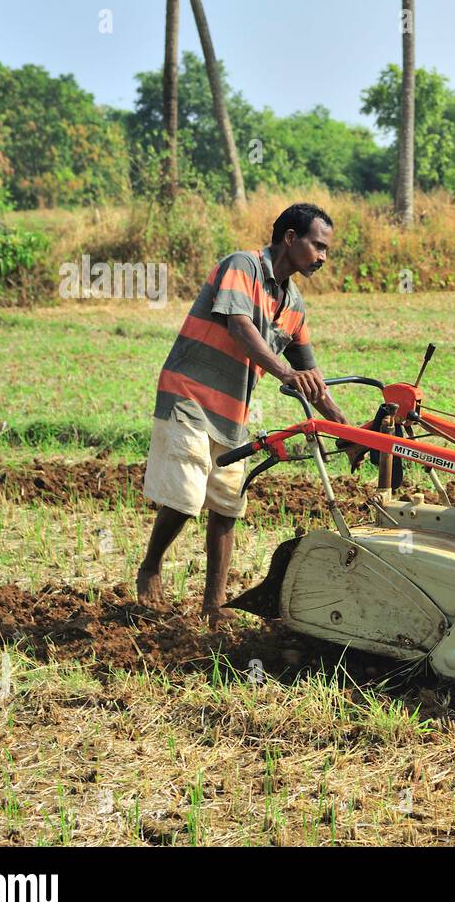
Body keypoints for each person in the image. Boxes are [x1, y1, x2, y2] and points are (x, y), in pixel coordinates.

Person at [135, 202, 348, 621]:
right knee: (186, 494)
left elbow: (312, 377)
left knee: (228, 504)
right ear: (291, 238)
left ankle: (214, 606)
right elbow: (239, 326)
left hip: (233, 411)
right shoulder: (242, 266)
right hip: (189, 393)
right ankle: (150, 567)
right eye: (318, 246)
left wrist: (345, 427)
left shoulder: (295, 305)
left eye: (326, 250)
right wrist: (285, 371)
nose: (323, 257)